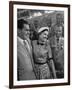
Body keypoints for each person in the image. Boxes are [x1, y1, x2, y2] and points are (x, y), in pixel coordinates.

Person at [49, 13, 64, 78]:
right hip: (54, 45)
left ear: (62, 19)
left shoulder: (64, 26)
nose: (58, 20)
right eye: (57, 18)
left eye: (60, 18)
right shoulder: (53, 26)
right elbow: (50, 36)